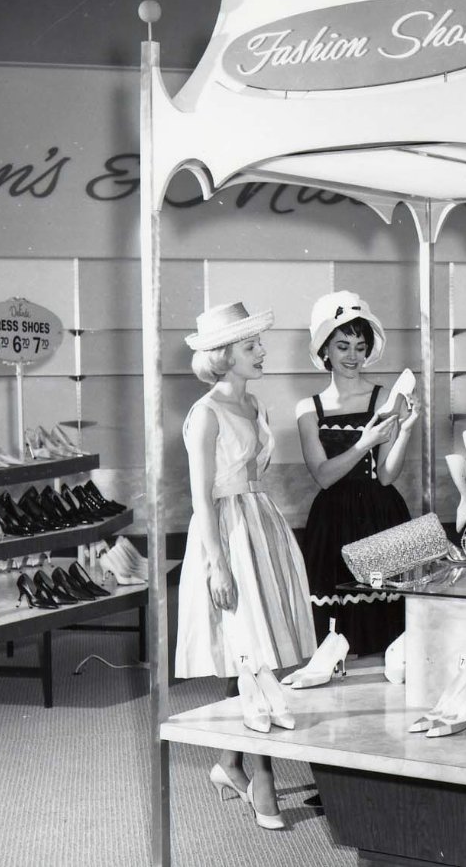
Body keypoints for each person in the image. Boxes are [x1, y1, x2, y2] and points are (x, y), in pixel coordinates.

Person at [174, 302, 317, 831]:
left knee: (259, 653)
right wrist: (217, 565)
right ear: (223, 354)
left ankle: (230, 763)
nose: (261, 351)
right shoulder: (204, 414)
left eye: (258, 343)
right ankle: (262, 780)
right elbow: (200, 497)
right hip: (227, 534)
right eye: (251, 345)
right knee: (251, 653)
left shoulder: (253, 402)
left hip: (261, 523)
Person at [296, 290, 419, 656]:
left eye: (360, 347)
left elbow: (385, 475)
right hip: (332, 522)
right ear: (325, 352)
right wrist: (364, 442)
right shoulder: (307, 409)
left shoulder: (384, 399)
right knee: (336, 627)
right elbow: (323, 475)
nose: (353, 356)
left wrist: (406, 431)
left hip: (381, 515)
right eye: (342, 346)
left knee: (387, 624)